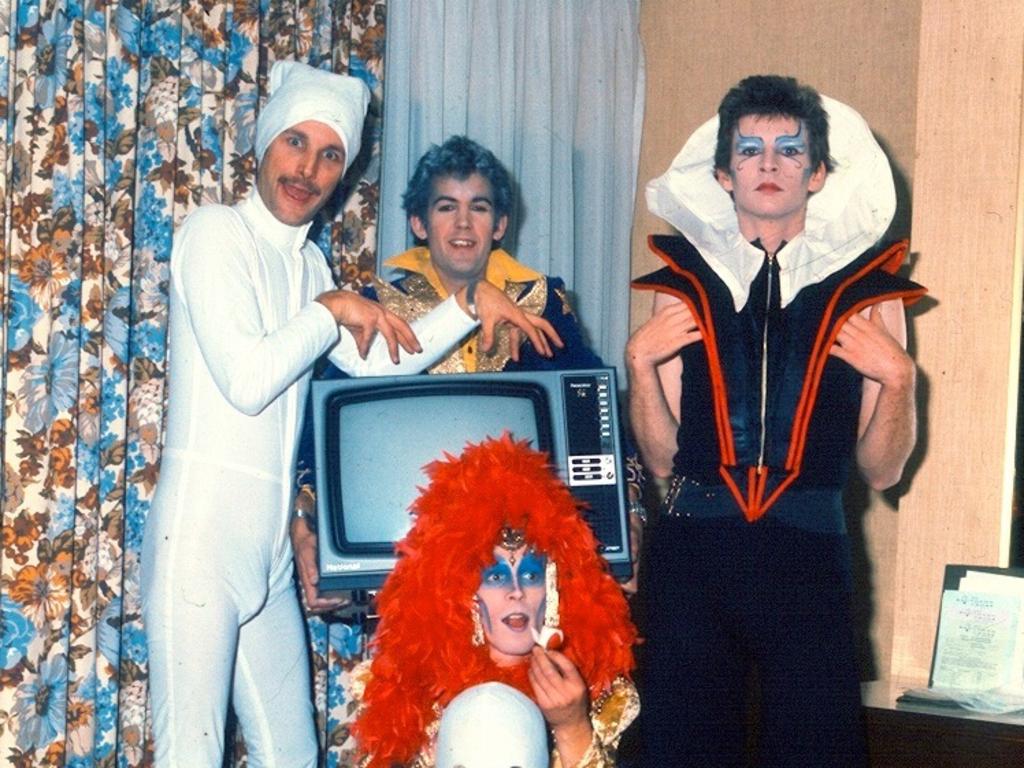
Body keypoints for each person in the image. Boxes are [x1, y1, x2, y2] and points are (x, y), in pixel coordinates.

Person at [141, 61, 558, 768]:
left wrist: (466, 307)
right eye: (296, 143)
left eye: (330, 154)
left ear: (343, 173)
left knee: (294, 757)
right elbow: (247, 380)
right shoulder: (213, 234)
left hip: (268, 563)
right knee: (191, 756)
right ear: (265, 143)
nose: (308, 167)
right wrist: (329, 310)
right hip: (200, 553)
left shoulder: (309, 269)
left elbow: (378, 363)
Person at [626, 75, 927, 766]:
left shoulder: (869, 294)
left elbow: (883, 470)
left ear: (818, 173)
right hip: (695, 555)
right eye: (751, 149)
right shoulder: (683, 284)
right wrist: (640, 366)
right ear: (724, 172)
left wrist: (901, 379)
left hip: (809, 558)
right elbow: (665, 459)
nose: (769, 163)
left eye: (790, 150)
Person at [292, 135, 646, 614]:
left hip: (526, 579)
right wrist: (306, 527)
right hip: (417, 581)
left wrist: (631, 518)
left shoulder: (542, 306)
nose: (462, 224)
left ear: (499, 224)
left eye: (478, 208)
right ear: (419, 223)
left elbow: (597, 432)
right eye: (445, 207)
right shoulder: (375, 309)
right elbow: (319, 440)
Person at [350, 435, 639, 767]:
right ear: (461, 588)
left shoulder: (597, 689)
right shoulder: (412, 684)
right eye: (496, 576)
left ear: (554, 587)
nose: (516, 591)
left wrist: (572, 727)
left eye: (530, 575)